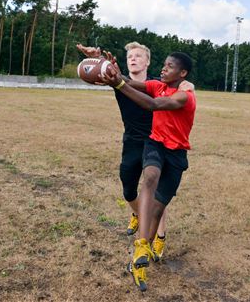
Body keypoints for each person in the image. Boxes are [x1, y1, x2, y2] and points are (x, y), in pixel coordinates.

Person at [76, 43, 193, 263]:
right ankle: (138, 214)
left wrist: (186, 87)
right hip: (131, 141)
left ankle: (159, 236)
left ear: (148, 61)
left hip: (156, 142)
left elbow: (169, 97)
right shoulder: (119, 80)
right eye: (130, 55)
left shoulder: (160, 85)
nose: (134, 58)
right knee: (129, 190)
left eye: (139, 55)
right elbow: (110, 75)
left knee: (155, 189)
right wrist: (99, 58)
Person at [101, 51, 196, 292]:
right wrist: (111, 71)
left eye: (169, 66)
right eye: (164, 65)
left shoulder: (185, 96)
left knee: (157, 209)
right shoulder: (156, 85)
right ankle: (142, 246)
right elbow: (132, 83)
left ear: (182, 73)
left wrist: (119, 83)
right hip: (155, 144)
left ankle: (140, 258)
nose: (163, 69)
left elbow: (153, 105)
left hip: (176, 154)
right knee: (150, 178)